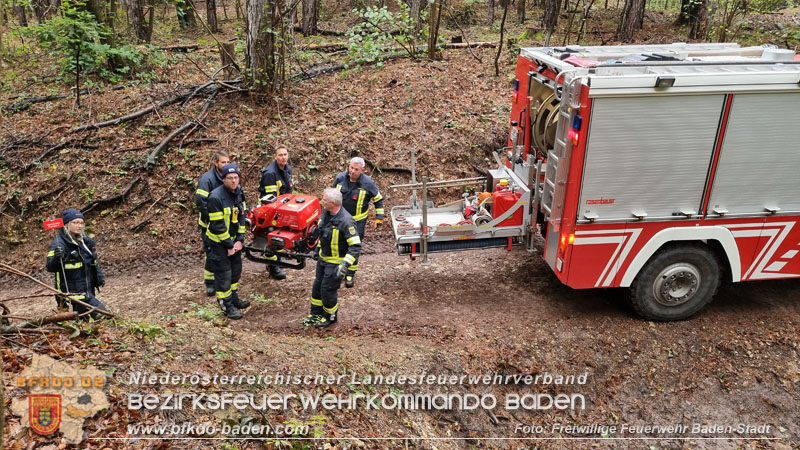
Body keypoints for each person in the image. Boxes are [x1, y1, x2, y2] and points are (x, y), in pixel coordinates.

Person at [305, 188, 361, 329]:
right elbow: (322, 233)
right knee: (317, 287)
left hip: (336, 263)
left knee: (327, 289)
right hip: (323, 260)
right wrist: (317, 250)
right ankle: (316, 313)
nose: (322, 201)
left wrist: (344, 265)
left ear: (333, 203)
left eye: (325, 200)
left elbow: (355, 247)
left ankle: (330, 316)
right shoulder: (326, 213)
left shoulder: (346, 222)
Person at [205, 163, 251, 320]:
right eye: (230, 178)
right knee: (223, 275)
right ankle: (226, 305)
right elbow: (218, 226)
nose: (233, 181)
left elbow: (242, 217)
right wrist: (229, 246)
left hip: (233, 243)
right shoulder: (215, 197)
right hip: (218, 244)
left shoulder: (239, 192)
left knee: (235, 272)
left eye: (236, 178)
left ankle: (234, 298)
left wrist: (239, 240)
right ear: (223, 179)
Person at [45, 209, 108, 320]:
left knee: (85, 321)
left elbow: (92, 262)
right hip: (72, 291)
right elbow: (50, 267)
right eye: (75, 222)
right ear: (67, 224)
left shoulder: (85, 242)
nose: (79, 226)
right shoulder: (59, 243)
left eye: (81, 223)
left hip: (88, 289)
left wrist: (99, 276)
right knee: (102, 315)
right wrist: (56, 257)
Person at [331, 157, 384, 288]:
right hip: (341, 219)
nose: (352, 171)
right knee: (340, 245)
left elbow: (378, 199)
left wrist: (379, 217)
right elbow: (332, 197)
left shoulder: (368, 183)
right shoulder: (340, 179)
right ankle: (339, 270)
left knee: (353, 248)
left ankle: (350, 274)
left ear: (362, 170)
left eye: (356, 169)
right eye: (351, 168)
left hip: (357, 222)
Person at [195, 150, 230, 296]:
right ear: (215, 163)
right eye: (223, 162)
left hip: (226, 225)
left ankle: (221, 279)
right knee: (211, 254)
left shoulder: (229, 176)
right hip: (209, 225)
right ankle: (210, 283)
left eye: (228, 162)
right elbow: (201, 203)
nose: (226, 165)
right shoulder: (207, 179)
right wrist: (213, 220)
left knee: (224, 254)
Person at [258, 145, 294, 280]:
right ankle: (272, 266)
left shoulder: (287, 169)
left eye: (285, 154)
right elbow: (270, 200)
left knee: (280, 236)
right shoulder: (270, 174)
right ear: (275, 156)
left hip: (282, 209)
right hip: (270, 211)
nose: (283, 157)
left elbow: (288, 191)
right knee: (272, 238)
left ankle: (277, 260)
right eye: (280, 155)